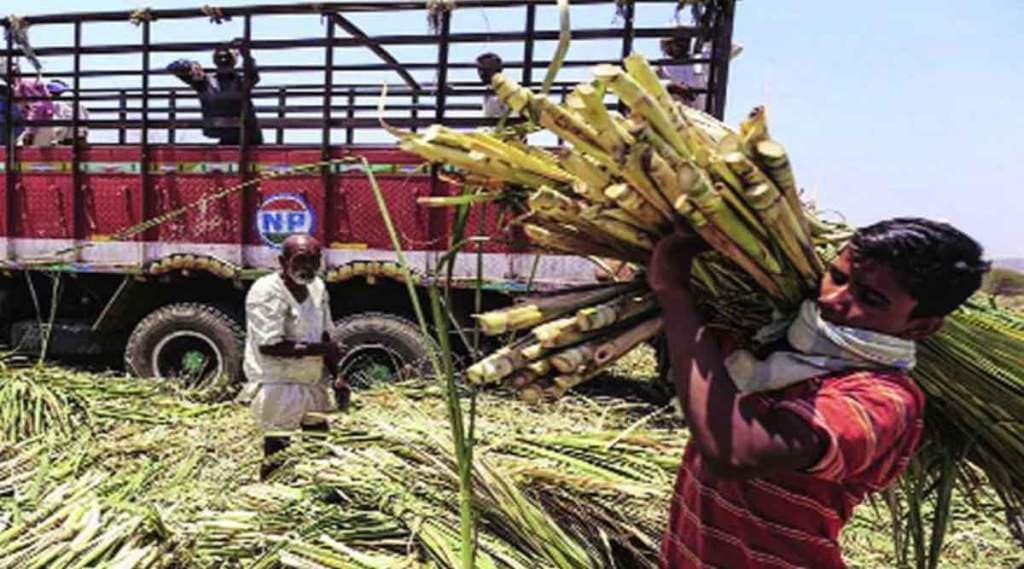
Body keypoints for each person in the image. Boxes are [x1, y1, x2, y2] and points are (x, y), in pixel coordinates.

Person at [649, 217, 989, 568]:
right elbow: (689, 351)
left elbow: (736, 452)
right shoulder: (769, 344)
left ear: (921, 326)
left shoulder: (882, 399)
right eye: (837, 277)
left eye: (871, 298)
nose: (832, 299)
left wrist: (673, 291)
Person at [240, 234, 350, 480]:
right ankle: (269, 495)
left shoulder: (317, 287)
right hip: (278, 381)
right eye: (300, 261)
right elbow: (269, 346)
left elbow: (325, 335)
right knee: (278, 449)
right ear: (282, 261)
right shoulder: (266, 292)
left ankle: (316, 491)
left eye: (313, 261)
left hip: (311, 380)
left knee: (318, 442)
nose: (307, 268)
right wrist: (323, 351)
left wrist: (338, 376)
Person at [167, 39, 263, 145]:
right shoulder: (206, 81)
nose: (223, 60)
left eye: (227, 57)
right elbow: (174, 68)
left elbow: (253, 76)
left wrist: (246, 55)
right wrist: (187, 66)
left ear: (234, 60)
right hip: (225, 133)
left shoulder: (240, 81)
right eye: (219, 57)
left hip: (247, 135)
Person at [658, 32, 742, 110]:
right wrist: (671, 86)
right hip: (678, 115)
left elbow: (735, 48)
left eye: (681, 40)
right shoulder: (662, 66)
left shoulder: (701, 58)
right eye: (669, 43)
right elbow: (649, 83)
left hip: (705, 115)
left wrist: (709, 37)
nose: (675, 46)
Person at [1, 59, 54, 147]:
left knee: (34, 156)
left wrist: (29, 131)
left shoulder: (25, 85)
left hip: (41, 125)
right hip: (37, 125)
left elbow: (37, 106)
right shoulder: (18, 87)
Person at [34, 80, 89, 146]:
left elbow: (63, 121)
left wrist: (58, 139)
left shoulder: (58, 103)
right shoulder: (78, 103)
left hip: (68, 139)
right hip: (81, 137)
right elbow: (86, 117)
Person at [477, 52, 508, 119]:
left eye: (487, 70)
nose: (482, 73)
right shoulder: (489, 88)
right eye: (480, 69)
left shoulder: (506, 90)